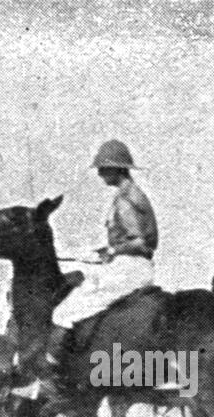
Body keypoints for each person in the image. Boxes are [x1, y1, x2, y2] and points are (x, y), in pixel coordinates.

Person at [38, 140, 159, 393]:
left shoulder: (125, 199)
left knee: (64, 311)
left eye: (104, 168)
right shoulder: (130, 194)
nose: (100, 174)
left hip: (131, 268)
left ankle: (53, 373)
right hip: (132, 265)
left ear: (117, 169)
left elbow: (140, 240)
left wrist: (112, 250)